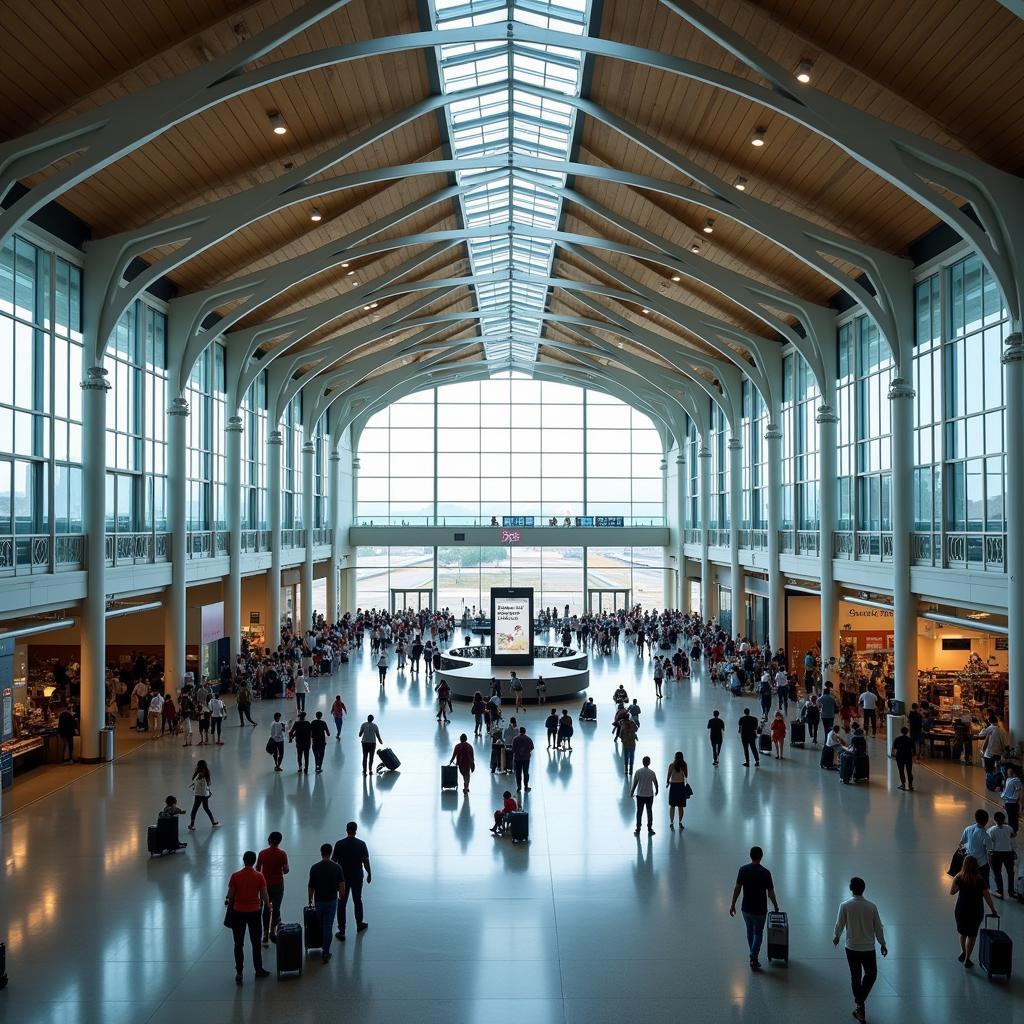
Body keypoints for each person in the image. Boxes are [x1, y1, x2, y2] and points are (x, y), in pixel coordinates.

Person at [833, 876, 887, 1023]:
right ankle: (860, 1004)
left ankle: (859, 1003)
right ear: (863, 889)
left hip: (851, 948)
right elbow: (878, 927)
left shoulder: (845, 906)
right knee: (871, 974)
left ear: (851, 889)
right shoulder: (871, 906)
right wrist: (882, 943)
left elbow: (839, 924)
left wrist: (836, 936)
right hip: (868, 948)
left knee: (855, 976)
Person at [728, 846, 779, 971]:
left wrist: (733, 904)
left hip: (746, 909)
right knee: (758, 932)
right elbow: (770, 892)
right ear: (761, 857)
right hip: (760, 910)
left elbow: (737, 888)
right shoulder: (765, 873)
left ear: (750, 856)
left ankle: (753, 957)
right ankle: (753, 956)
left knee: (750, 931)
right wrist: (775, 905)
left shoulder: (743, 870)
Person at [225, 850, 270, 984]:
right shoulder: (259, 876)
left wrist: (227, 900)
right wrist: (268, 905)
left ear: (243, 860)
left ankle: (239, 972)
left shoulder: (235, 876)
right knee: (256, 943)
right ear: (254, 861)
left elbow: (231, 895)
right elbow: (263, 894)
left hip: (238, 912)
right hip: (254, 912)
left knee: (238, 944)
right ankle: (258, 969)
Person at [950, 855, 996, 968]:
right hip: (975, 910)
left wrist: (959, 885)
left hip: (961, 909)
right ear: (976, 866)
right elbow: (987, 896)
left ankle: (963, 952)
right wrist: (993, 909)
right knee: (972, 935)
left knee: (963, 933)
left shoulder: (959, 877)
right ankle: (967, 959)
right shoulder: (979, 879)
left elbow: (952, 892)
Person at [332, 821, 371, 941]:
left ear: (346, 830)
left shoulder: (339, 844)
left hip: (343, 879)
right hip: (357, 877)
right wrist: (369, 873)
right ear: (356, 830)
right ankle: (359, 924)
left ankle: (342, 931)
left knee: (342, 903)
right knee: (357, 899)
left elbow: (334, 862)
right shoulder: (361, 844)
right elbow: (365, 861)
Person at [307, 843, 346, 964]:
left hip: (319, 901)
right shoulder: (337, 867)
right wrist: (341, 895)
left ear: (321, 852)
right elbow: (341, 884)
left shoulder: (315, 867)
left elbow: (311, 886)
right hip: (331, 900)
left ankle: (318, 944)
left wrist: (310, 900)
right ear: (331, 852)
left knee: (321, 924)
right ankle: (326, 952)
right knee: (328, 926)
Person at [256, 831, 289, 945]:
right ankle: (273, 932)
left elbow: (258, 870)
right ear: (279, 841)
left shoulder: (262, 854)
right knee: (276, 908)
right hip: (278, 884)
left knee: (266, 908)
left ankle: (265, 933)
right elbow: (286, 870)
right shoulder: (282, 854)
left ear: (269, 840)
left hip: (265, 885)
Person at [960, 809, 993, 886]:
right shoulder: (986, 836)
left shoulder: (967, 829)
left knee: (968, 883)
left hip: (968, 863)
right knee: (983, 885)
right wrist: (992, 867)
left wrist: (965, 856)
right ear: (986, 821)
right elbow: (989, 853)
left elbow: (961, 844)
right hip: (981, 864)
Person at [988, 811, 1016, 899]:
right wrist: (1014, 851)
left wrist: (989, 854)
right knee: (1010, 872)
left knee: (997, 873)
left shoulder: (991, 830)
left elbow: (989, 844)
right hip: (1008, 853)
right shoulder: (1009, 828)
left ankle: (1000, 891)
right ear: (1004, 819)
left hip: (996, 854)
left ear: (994, 820)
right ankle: (1011, 891)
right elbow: (1013, 840)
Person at [630, 755, 659, 836]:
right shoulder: (652, 772)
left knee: (639, 812)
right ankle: (650, 828)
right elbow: (655, 782)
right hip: (649, 795)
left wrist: (632, 792)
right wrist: (657, 790)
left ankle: (638, 829)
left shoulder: (638, 772)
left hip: (640, 795)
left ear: (643, 762)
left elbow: (635, 783)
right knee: (649, 811)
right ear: (649, 763)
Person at [188, 760, 219, 830]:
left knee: (194, 809)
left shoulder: (198, 774)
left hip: (198, 795)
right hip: (204, 795)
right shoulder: (206, 773)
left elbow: (195, 781)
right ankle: (213, 822)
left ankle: (191, 824)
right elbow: (207, 784)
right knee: (206, 808)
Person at [666, 751, 688, 830]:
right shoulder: (684, 765)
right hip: (681, 786)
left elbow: (668, 775)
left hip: (673, 786)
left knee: (672, 805)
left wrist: (667, 782)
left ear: (675, 757)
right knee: (680, 806)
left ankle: (671, 822)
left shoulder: (672, 765)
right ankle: (680, 822)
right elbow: (686, 775)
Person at [891, 725, 915, 790]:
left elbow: (894, 748)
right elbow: (914, 749)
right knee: (909, 771)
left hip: (900, 756)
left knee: (901, 770)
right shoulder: (910, 740)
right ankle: (910, 785)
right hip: (908, 756)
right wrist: (914, 757)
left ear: (901, 732)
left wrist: (894, 755)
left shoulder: (897, 739)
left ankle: (903, 784)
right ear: (907, 732)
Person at [511, 726, 534, 792]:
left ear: (519, 731)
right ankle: (526, 786)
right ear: (525, 731)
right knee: (526, 772)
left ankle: (519, 786)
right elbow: (532, 748)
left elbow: (513, 749)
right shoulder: (528, 739)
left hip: (517, 758)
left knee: (518, 773)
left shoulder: (515, 739)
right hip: (526, 759)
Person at [1001, 764, 1020, 835]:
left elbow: (1019, 793)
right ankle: (1011, 828)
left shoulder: (1016, 780)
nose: (1007, 773)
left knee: (1013, 817)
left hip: (1013, 803)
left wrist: (1020, 805)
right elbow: (1006, 791)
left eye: (1009, 772)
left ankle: (1013, 831)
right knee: (1010, 816)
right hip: (1007, 802)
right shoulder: (1008, 779)